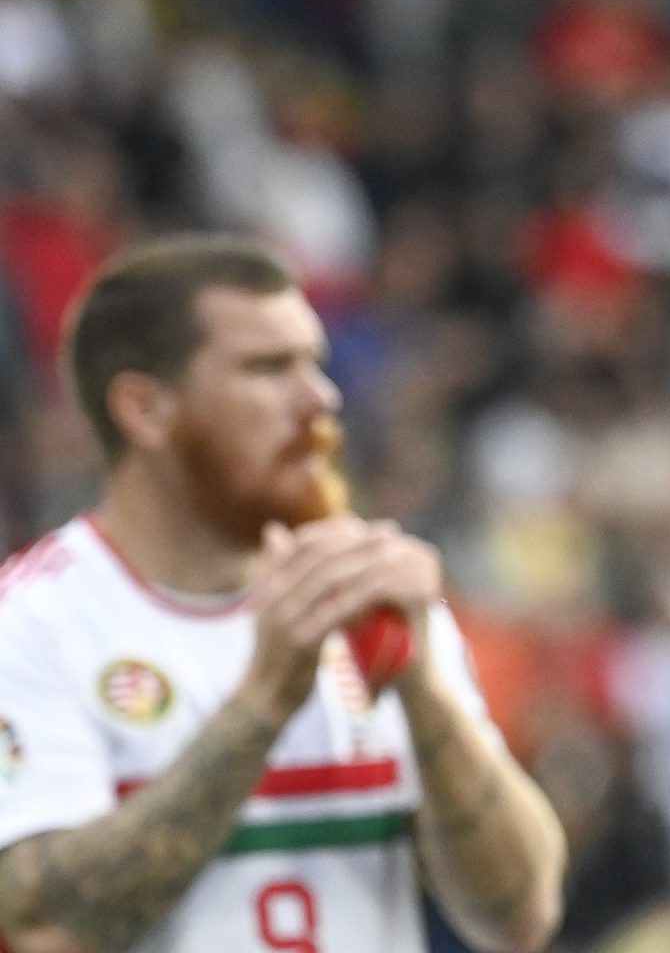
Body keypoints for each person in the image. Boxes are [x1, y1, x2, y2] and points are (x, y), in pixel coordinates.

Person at [0, 235, 567, 953]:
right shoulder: (33, 624)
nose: (320, 398)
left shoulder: (366, 590)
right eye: (268, 368)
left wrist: (423, 690)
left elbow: (521, 917)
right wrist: (262, 707)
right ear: (144, 410)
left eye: (313, 363)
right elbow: (44, 926)